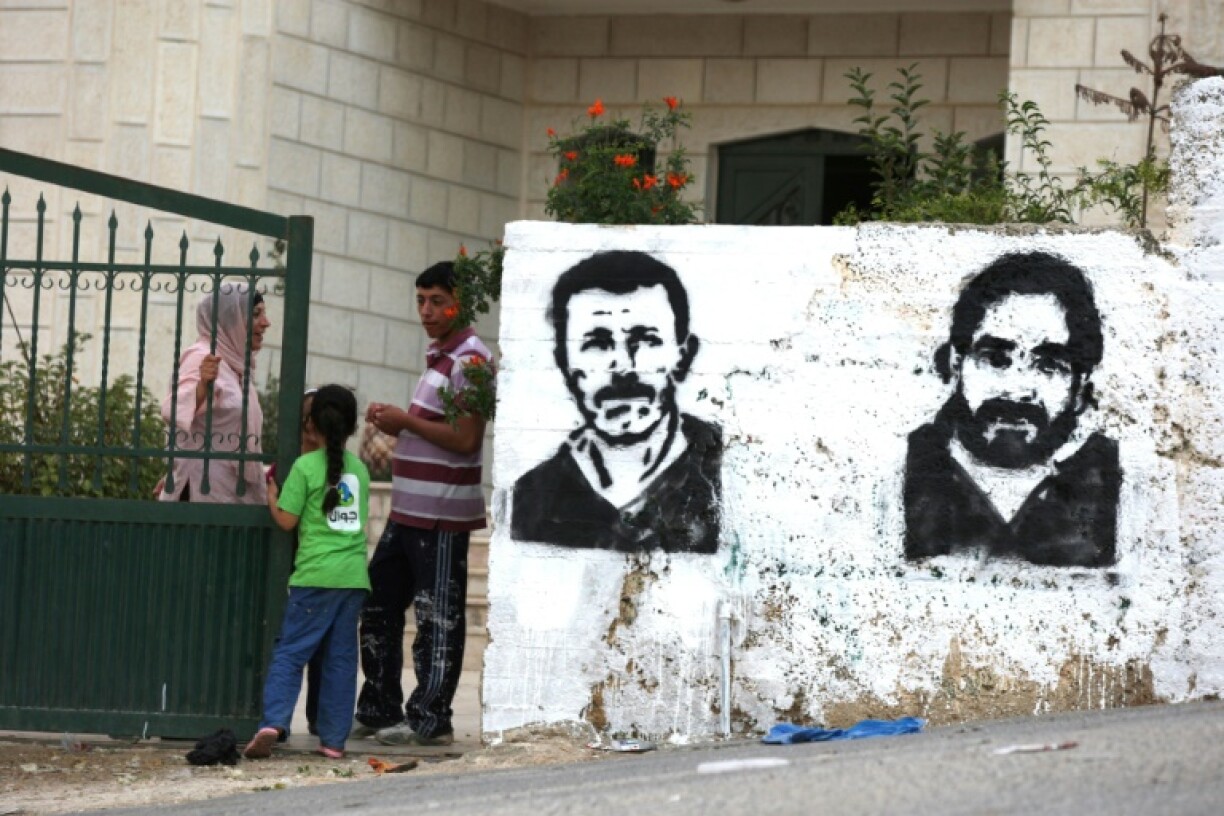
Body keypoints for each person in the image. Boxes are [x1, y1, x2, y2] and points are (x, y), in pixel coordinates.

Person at [903, 250, 1120, 567]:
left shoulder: (1113, 482)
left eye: (1048, 365)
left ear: (1079, 385)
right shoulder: (900, 472)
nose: (1018, 390)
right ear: (955, 363)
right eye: (996, 359)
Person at [353, 261, 492, 747]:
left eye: (437, 301)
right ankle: (380, 710)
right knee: (378, 605)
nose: (426, 311)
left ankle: (431, 719)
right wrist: (396, 423)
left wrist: (405, 423)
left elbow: (466, 438)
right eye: (420, 300)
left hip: (441, 514)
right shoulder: (439, 356)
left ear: (460, 302)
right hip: (408, 511)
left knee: (437, 618)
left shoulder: (470, 361)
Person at [511, 250, 723, 553]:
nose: (623, 366)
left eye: (646, 340)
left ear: (683, 355)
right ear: (563, 362)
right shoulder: (533, 498)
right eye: (597, 343)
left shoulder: (727, 472)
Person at [243, 385, 370, 760]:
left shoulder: (304, 467)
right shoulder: (360, 471)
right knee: (341, 660)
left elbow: (286, 520)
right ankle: (333, 741)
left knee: (291, 653)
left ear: (310, 424)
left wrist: (270, 496)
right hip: (352, 579)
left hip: (314, 577)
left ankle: (274, 722)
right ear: (351, 427)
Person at [160, 281, 271, 504]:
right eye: (256, 314)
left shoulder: (237, 366)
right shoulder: (203, 355)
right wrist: (202, 387)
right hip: (202, 495)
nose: (266, 323)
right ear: (233, 320)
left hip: (230, 494)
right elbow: (173, 409)